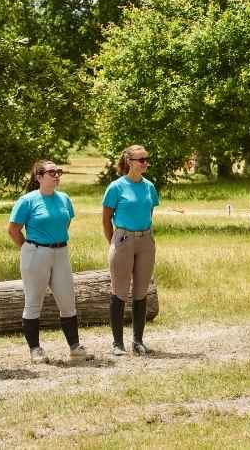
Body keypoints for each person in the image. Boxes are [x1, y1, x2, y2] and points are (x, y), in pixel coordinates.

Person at [7, 160, 92, 364]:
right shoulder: (27, 201)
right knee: (33, 302)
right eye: (51, 172)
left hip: (61, 252)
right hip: (36, 253)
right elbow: (13, 230)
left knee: (68, 301)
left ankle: (75, 348)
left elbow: (65, 222)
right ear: (39, 177)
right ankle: (35, 350)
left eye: (58, 172)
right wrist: (30, 249)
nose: (56, 175)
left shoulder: (64, 199)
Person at [102, 145, 159, 356]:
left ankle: (138, 341)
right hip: (123, 239)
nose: (145, 163)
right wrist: (115, 242)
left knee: (141, 291)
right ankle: (117, 343)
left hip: (145, 240)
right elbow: (106, 219)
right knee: (119, 290)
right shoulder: (116, 187)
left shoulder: (149, 187)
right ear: (129, 162)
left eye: (146, 159)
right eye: (141, 159)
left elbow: (149, 211)